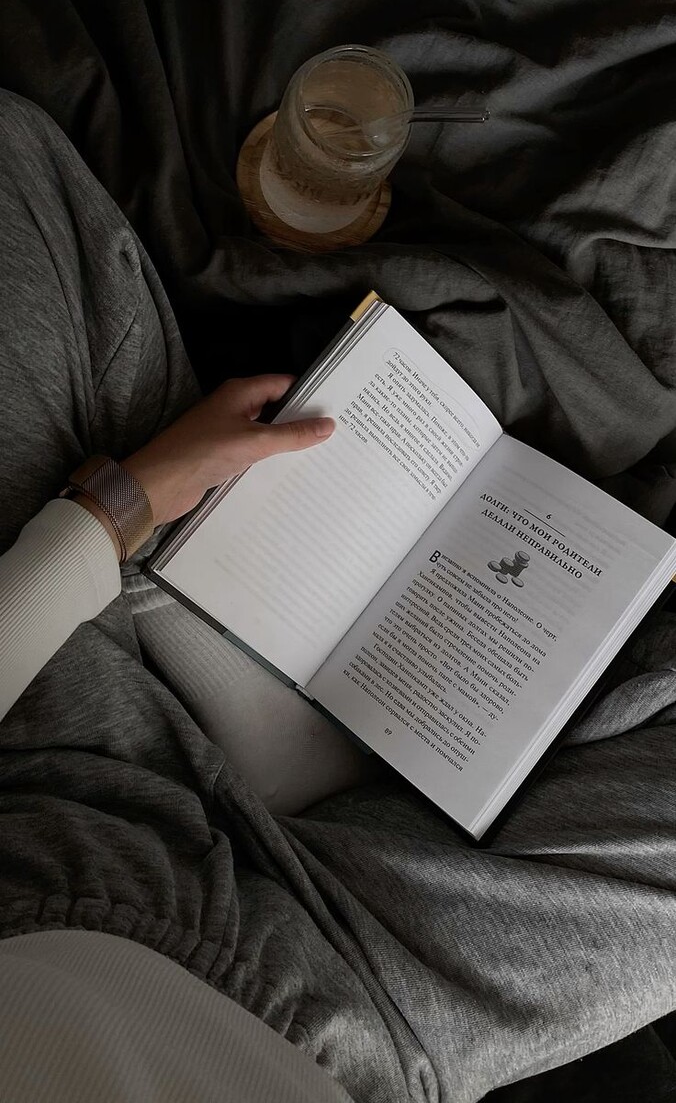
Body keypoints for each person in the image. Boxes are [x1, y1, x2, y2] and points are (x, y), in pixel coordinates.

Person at [1, 87, 675, 1103]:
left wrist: (115, 509)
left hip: (53, 838)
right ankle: (228, 663)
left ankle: (184, 608)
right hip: (338, 1008)